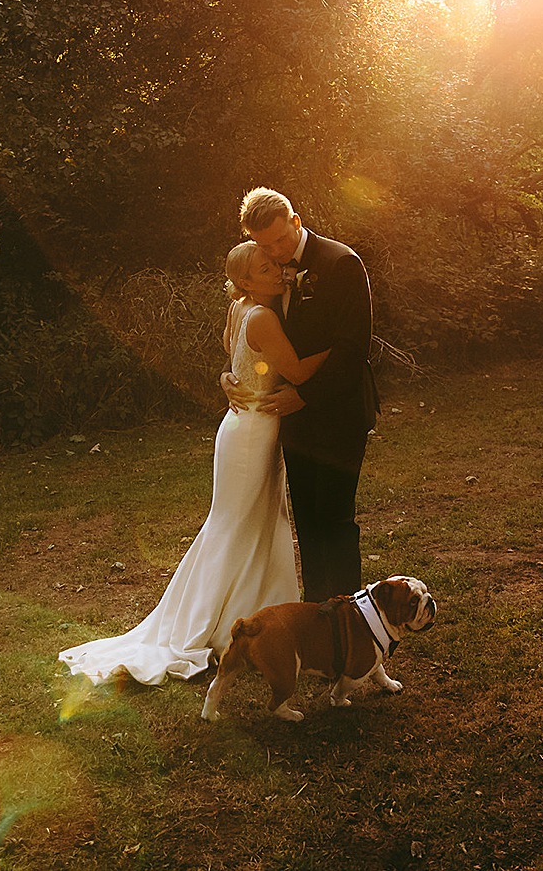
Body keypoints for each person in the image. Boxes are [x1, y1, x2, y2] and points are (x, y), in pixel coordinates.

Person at [58, 241, 329, 686]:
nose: (277, 271)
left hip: (240, 424)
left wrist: (230, 377)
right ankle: (221, 620)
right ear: (244, 281)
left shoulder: (240, 308)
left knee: (250, 522)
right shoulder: (260, 315)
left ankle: (256, 612)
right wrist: (342, 349)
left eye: (275, 264)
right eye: (265, 268)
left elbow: (229, 349)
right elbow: (297, 372)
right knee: (238, 525)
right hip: (254, 430)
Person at [228, 187, 379, 603]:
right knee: (307, 520)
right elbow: (250, 337)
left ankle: (349, 617)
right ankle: (316, 611)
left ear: (296, 221)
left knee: (336, 517)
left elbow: (354, 347)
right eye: (265, 245)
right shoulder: (267, 273)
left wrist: (305, 394)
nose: (276, 252)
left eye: (281, 239)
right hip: (291, 419)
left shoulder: (341, 263)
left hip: (339, 410)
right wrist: (229, 375)